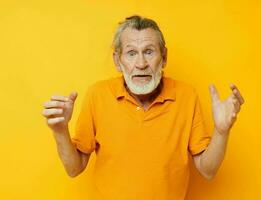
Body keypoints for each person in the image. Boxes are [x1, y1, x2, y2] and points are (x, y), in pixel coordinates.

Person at [42, 15, 244, 200]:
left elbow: (207, 170)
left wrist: (221, 131)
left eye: (149, 52)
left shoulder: (186, 96)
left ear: (163, 57)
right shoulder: (98, 95)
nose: (141, 63)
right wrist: (60, 131)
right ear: (117, 61)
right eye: (131, 53)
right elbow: (74, 168)